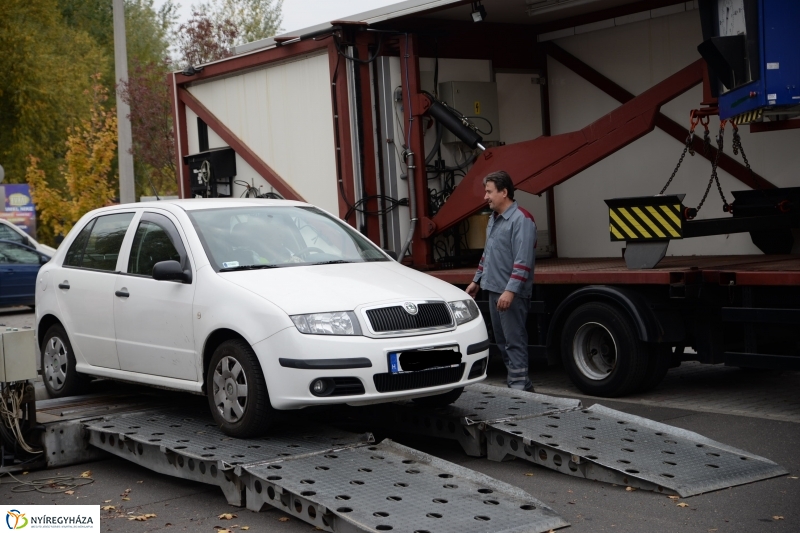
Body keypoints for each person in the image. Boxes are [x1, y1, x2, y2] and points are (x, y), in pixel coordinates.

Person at [466, 171, 537, 392]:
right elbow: (488, 254)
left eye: (489, 191)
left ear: (504, 192)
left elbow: (523, 261)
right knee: (503, 342)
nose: (485, 197)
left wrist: (510, 292)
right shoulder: (493, 219)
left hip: (510, 295)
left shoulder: (521, 220)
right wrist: (477, 280)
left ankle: (518, 390)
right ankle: (522, 385)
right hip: (494, 289)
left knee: (514, 342)